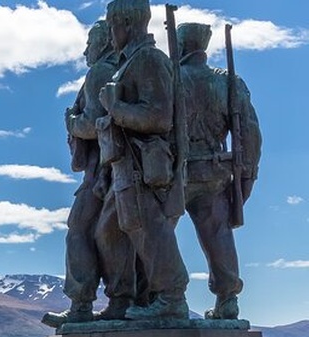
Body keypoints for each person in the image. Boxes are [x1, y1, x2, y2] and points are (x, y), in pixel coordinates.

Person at [96, 0, 189, 320]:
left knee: (149, 229)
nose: (110, 32)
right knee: (108, 232)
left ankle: (172, 296)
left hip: (142, 166)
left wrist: (115, 107)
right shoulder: (129, 61)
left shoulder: (148, 59)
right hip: (122, 165)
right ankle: (122, 299)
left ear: (127, 23)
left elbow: (160, 117)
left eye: (112, 24)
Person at [43, 20, 135, 327]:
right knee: (108, 233)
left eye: (90, 43)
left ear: (104, 43)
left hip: (103, 170)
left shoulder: (100, 72)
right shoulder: (124, 69)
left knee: (83, 230)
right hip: (115, 167)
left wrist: (71, 122)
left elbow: (93, 124)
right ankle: (114, 300)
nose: (86, 51)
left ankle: (86, 303)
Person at [177, 22, 261, 319]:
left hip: (176, 172)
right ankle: (227, 298)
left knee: (156, 233)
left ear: (182, 45)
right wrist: (247, 174)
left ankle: (161, 294)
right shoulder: (226, 82)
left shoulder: (172, 79)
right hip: (214, 170)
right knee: (218, 234)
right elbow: (249, 133)